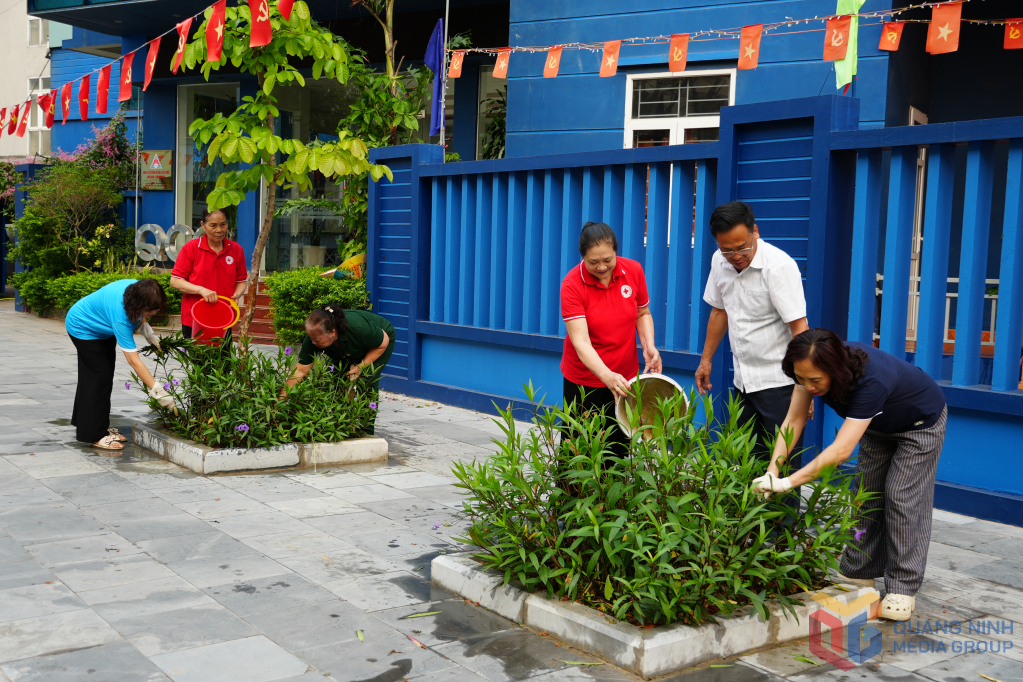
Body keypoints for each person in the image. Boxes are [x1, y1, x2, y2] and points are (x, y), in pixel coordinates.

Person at [752, 329, 948, 622]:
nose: (808, 386)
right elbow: (793, 420)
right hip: (878, 427)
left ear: (836, 371)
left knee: (901, 497)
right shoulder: (809, 370)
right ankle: (859, 571)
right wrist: (773, 470)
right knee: (865, 496)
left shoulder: (871, 380)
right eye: (800, 378)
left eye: (815, 380)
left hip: (919, 424)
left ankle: (902, 586)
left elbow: (841, 450)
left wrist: (788, 482)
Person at [696, 201, 810, 459]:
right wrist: (706, 360)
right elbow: (719, 311)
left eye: (743, 247)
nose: (736, 255)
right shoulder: (719, 261)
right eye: (727, 249)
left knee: (781, 466)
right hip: (743, 383)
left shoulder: (778, 266)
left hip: (780, 384)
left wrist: (805, 387)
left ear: (755, 231)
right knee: (743, 465)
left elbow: (800, 328)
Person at [560, 221, 662, 458]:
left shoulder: (633, 270)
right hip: (585, 380)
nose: (602, 267)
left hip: (625, 376)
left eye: (608, 259)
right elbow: (580, 341)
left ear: (616, 251)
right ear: (582, 257)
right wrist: (607, 376)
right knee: (580, 449)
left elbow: (643, 313)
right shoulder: (572, 284)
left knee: (618, 446)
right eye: (593, 262)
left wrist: (649, 346)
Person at [64, 279, 176, 450]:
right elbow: (133, 361)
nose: (153, 313)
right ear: (138, 305)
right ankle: (94, 435)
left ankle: (91, 423)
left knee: (102, 375)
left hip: (103, 327)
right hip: (82, 327)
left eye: (156, 309)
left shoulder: (139, 289)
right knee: (99, 377)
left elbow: (138, 314)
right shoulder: (121, 319)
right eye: (149, 311)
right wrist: (158, 391)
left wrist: (148, 332)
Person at [282, 305, 395, 434]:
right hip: (347, 346)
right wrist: (279, 401)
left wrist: (361, 366)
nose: (313, 343)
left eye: (316, 339)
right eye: (311, 338)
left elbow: (383, 342)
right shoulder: (315, 337)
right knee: (337, 378)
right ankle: (340, 425)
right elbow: (300, 371)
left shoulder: (359, 328)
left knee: (367, 380)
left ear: (332, 332)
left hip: (378, 342)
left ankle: (366, 431)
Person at [170, 209, 248, 339]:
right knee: (196, 353)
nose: (219, 230)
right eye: (213, 225)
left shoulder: (236, 249)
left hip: (223, 317)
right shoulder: (191, 248)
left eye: (223, 224)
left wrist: (237, 294)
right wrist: (201, 290)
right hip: (195, 319)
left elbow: (241, 281)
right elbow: (175, 281)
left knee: (223, 353)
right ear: (203, 225)